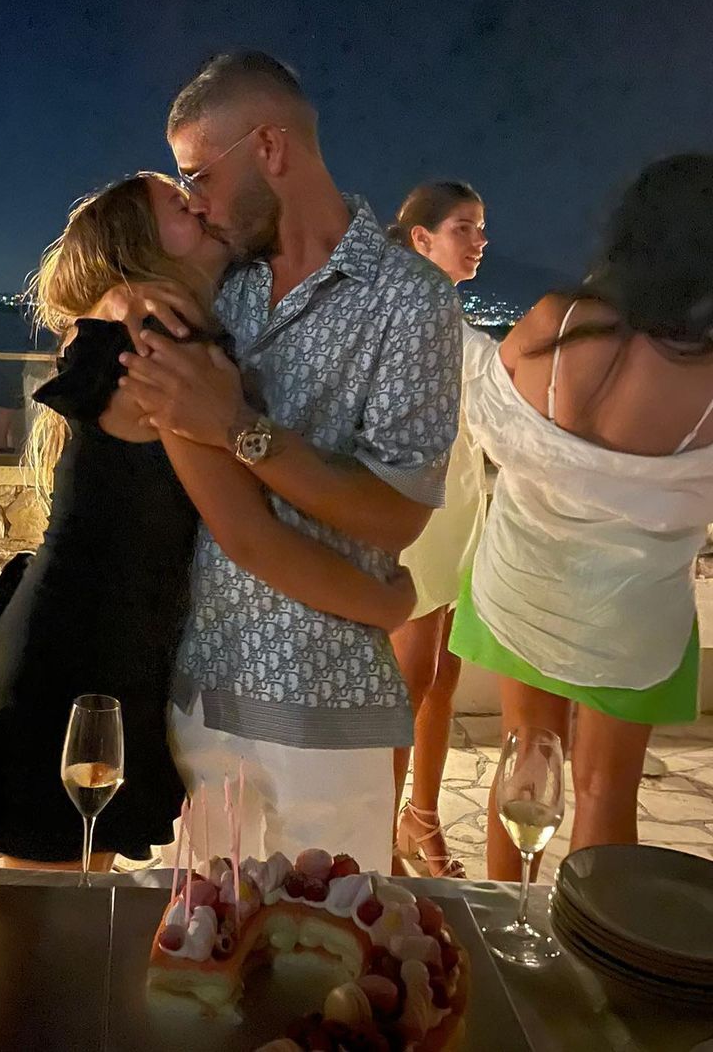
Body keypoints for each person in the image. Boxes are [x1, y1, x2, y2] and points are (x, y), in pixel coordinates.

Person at [0, 170, 417, 868]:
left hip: (81, 640)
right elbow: (248, 535)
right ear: (139, 242)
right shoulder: (159, 342)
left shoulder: (138, 325)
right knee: (48, 909)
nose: (198, 203)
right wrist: (385, 604)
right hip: (81, 656)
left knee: (47, 896)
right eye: (177, 202)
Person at [115, 52, 464, 870]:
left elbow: (396, 515)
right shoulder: (216, 285)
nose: (196, 200)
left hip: (328, 709)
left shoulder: (410, 298)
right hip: (199, 696)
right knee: (197, 939)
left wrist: (240, 428)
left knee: (334, 941)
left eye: (200, 174)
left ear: (270, 147)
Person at [449, 153, 713, 880]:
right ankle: (590, 944)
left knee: (523, 762)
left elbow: (489, 414)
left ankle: (502, 931)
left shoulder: (557, 322)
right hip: (631, 619)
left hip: (523, 587)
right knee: (604, 790)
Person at [387, 182, 489, 878]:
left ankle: (420, 817)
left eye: (481, 229)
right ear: (421, 238)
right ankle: (376, 831)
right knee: (411, 678)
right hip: (418, 511)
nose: (479, 241)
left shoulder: (451, 317)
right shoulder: (402, 315)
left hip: (462, 508)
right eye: (463, 228)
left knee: (445, 674)